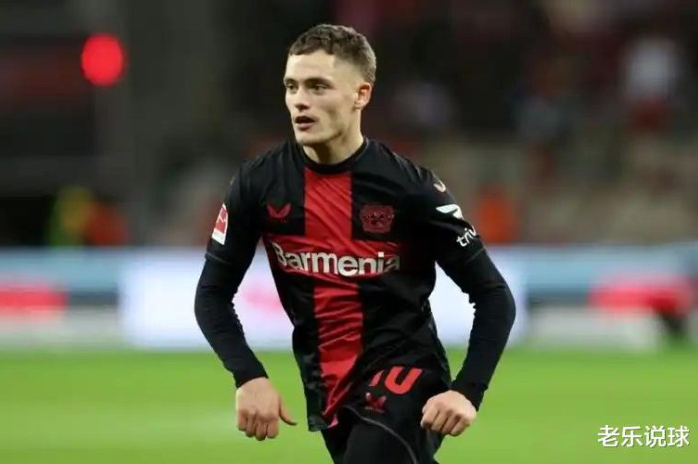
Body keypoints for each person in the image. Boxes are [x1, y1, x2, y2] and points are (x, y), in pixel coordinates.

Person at [195, 24, 516, 464]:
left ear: (361, 94)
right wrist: (248, 376)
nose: (300, 100)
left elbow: (493, 294)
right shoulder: (259, 184)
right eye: (292, 86)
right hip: (328, 389)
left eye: (318, 86)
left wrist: (467, 390)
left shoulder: (409, 187)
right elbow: (212, 294)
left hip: (405, 375)